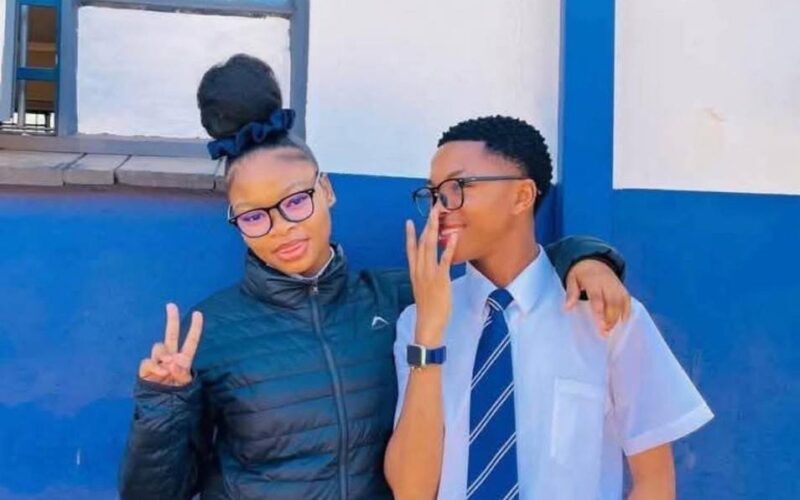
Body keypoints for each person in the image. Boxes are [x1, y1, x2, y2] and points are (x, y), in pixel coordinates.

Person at [119, 55, 630, 499]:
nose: (281, 228)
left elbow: (503, 267)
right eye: (254, 217)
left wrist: (584, 258)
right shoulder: (210, 330)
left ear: (326, 191)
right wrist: (165, 405)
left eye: (296, 202)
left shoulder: (401, 298)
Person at [385, 116, 714, 500]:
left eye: (458, 187)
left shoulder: (606, 316)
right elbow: (411, 491)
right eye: (434, 193)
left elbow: (654, 482)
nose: (440, 209)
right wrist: (428, 339)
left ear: (522, 196)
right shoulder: (417, 323)